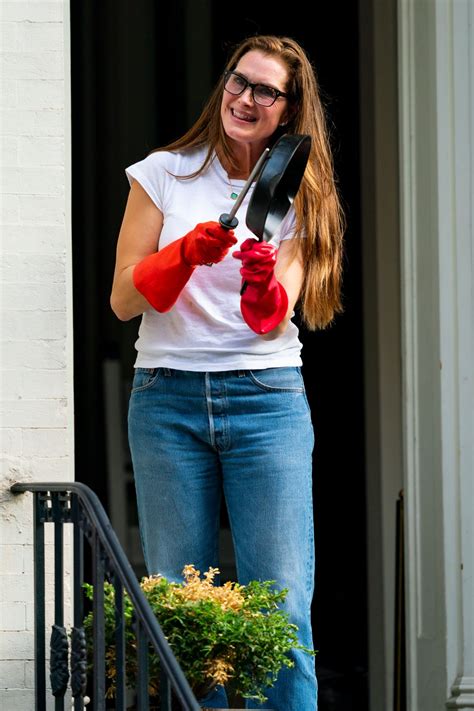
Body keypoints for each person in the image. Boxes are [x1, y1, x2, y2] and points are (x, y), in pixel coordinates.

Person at [111, 34, 344, 711]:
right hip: (166, 400)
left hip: (266, 400)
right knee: (184, 611)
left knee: (281, 605)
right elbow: (125, 299)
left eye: (265, 91)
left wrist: (264, 279)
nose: (245, 98)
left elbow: (273, 319)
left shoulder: (299, 192)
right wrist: (182, 252)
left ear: (288, 108)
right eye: (239, 81)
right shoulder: (163, 173)